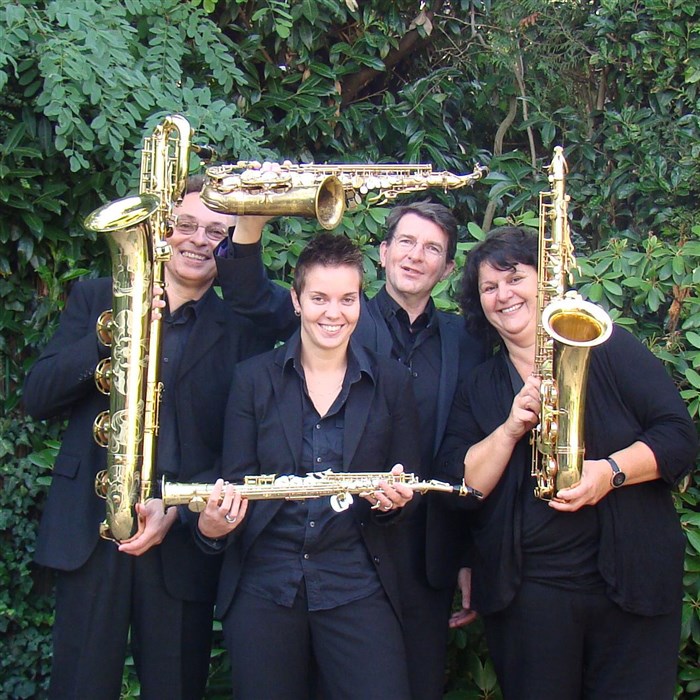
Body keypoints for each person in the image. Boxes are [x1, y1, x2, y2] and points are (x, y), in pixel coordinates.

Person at [215, 199, 486, 699]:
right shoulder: (276, 362)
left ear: (449, 268)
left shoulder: (456, 345)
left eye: (431, 248)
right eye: (406, 241)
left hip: (389, 564)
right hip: (288, 571)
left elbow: (457, 449)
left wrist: (449, 539)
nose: (333, 311)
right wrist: (249, 221)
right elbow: (249, 294)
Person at [22, 176, 271, 699]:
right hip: (90, 532)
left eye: (217, 233)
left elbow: (240, 447)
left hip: (178, 542)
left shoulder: (243, 329)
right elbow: (38, 397)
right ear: (162, 229)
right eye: (186, 225)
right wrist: (110, 332)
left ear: (230, 246)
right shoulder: (97, 298)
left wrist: (178, 508)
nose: (198, 240)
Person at [435, 226, 698, 699]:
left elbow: (678, 437)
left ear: (546, 282)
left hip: (631, 583)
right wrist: (509, 429)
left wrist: (609, 474)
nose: (503, 295)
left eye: (515, 278)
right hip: (528, 597)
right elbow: (460, 487)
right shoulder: (480, 386)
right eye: (489, 287)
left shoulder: (609, 348)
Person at [197, 233, 419, 699]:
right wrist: (212, 529)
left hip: (357, 584)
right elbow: (236, 483)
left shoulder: (392, 382)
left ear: (360, 302)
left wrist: (394, 504)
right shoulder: (251, 380)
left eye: (347, 299)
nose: (333, 313)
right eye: (319, 298)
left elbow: (406, 493)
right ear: (296, 301)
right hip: (266, 585)